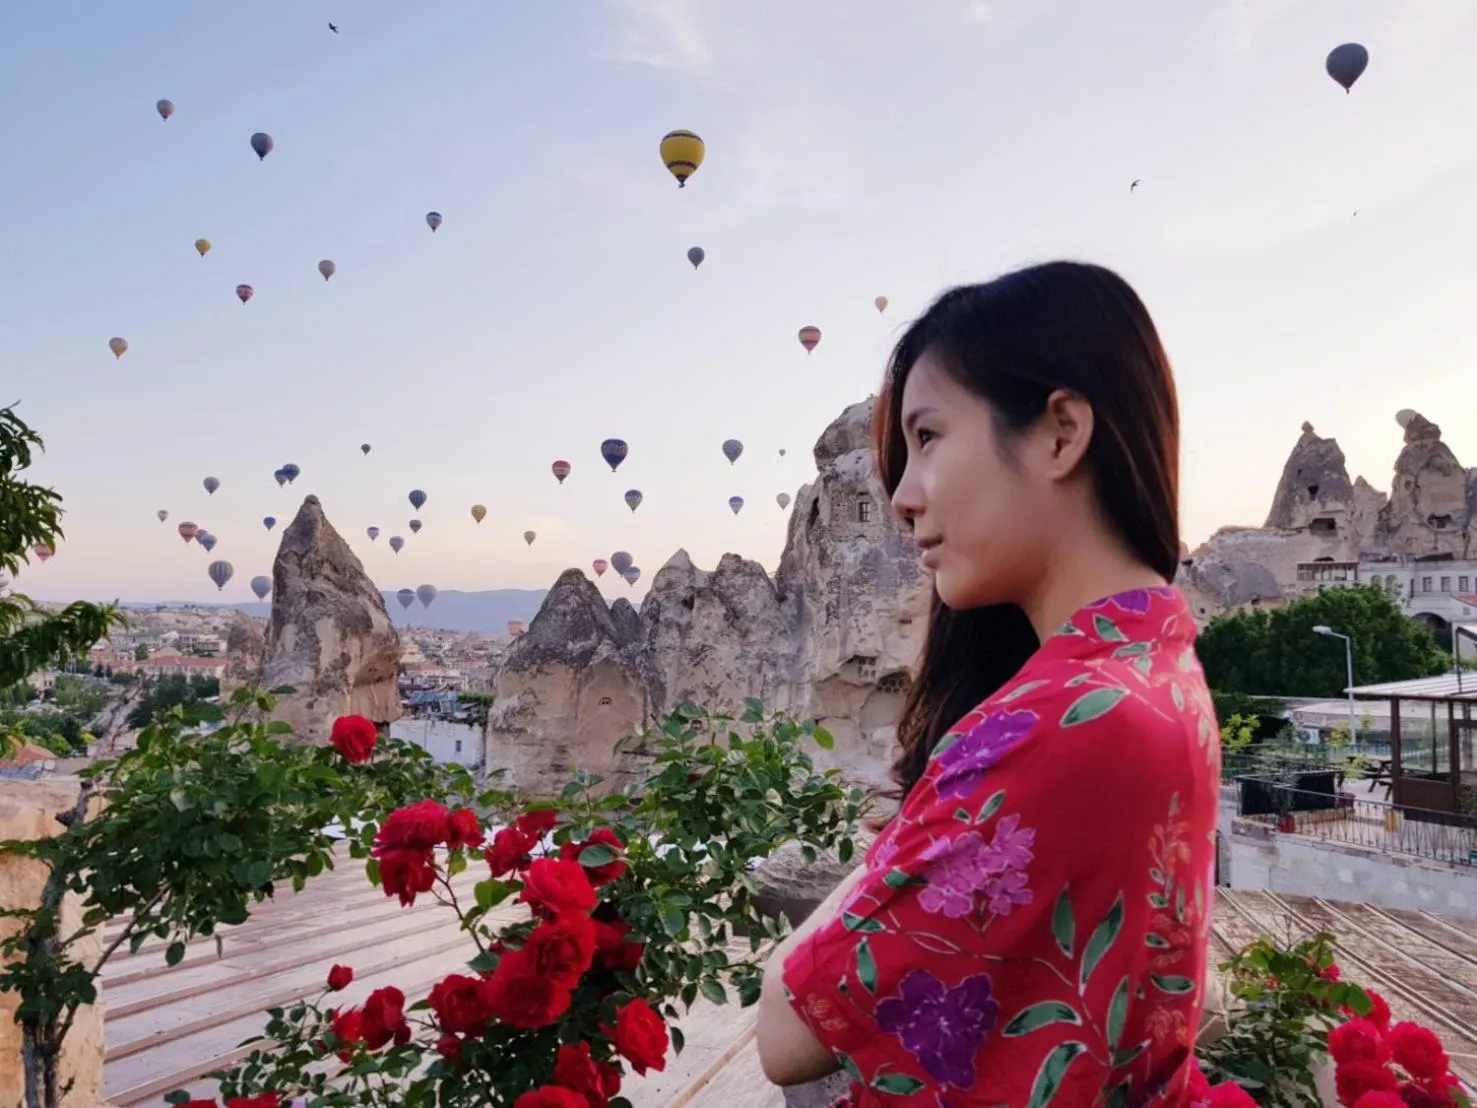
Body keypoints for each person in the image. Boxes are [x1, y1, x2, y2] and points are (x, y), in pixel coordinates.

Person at [755, 261, 1221, 1106]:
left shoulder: (1051, 723)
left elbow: (788, 1033)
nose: (900, 497)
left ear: (1058, 433)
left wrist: (889, 857)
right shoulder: (1159, 668)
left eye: (927, 438)